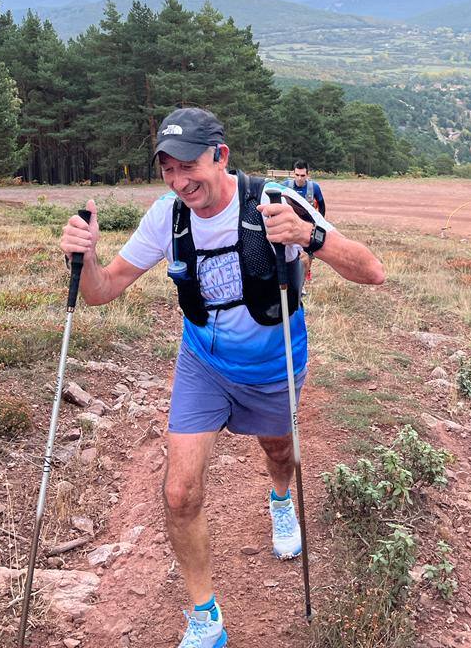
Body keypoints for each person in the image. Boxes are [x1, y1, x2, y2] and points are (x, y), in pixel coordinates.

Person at [59, 107, 384, 648]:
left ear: (221, 157)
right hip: (203, 365)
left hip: (273, 363)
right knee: (180, 491)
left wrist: (310, 237)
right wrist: (85, 257)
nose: (180, 180)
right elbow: (102, 289)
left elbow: (372, 271)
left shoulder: (275, 201)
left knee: (278, 452)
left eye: (189, 164)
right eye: (167, 169)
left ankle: (281, 501)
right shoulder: (167, 217)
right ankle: (206, 618)